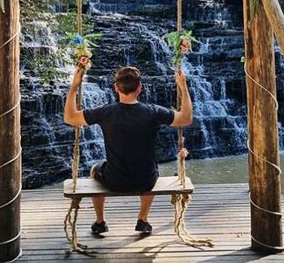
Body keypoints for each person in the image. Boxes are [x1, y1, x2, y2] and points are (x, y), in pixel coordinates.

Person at [64, 65, 193, 236]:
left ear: (116, 88)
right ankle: (143, 219)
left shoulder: (105, 112)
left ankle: (100, 222)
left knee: (95, 169)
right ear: (140, 88)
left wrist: (74, 85)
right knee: (152, 168)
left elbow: (70, 117)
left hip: (114, 180)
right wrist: (182, 86)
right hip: (146, 180)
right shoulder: (153, 111)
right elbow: (186, 118)